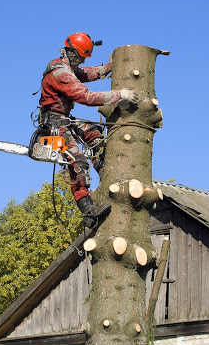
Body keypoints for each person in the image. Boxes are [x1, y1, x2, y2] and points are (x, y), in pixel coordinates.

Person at [39, 32, 137, 227]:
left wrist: (110, 66)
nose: (81, 61)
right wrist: (120, 94)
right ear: (70, 52)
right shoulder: (61, 73)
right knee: (79, 161)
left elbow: (88, 73)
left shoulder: (69, 68)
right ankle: (87, 210)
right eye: (79, 57)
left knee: (93, 132)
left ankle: (104, 168)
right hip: (52, 127)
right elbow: (86, 97)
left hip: (65, 121)